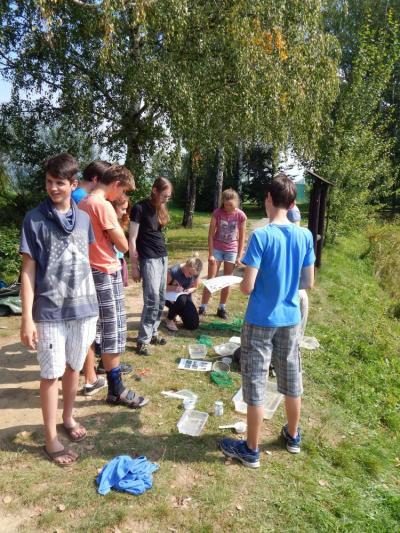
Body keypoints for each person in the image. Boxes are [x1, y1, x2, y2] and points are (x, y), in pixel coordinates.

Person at [219, 173, 315, 468]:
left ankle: (251, 449)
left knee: (256, 381)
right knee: (290, 376)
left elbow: (247, 287)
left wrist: (250, 279)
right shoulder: (305, 235)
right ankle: (293, 436)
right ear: (293, 202)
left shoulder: (261, 235)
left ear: (269, 200)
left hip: (261, 318)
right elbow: (307, 282)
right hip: (290, 318)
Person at [20, 153, 99, 466]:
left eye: (60, 183)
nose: (53, 188)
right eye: (49, 182)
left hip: (83, 309)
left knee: (74, 367)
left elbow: (85, 262)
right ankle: (50, 438)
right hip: (50, 311)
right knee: (50, 374)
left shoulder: (83, 219)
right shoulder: (34, 219)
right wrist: (27, 318)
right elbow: (27, 271)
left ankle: (68, 417)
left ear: (73, 184)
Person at [79, 164, 148, 408]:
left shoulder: (84, 203)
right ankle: (116, 389)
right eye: (123, 191)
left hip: (93, 269)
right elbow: (124, 244)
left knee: (106, 328)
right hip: (104, 270)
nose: (122, 198)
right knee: (114, 329)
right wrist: (116, 230)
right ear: (116, 184)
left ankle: (114, 386)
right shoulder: (101, 205)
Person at [129, 177, 172, 356]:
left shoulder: (160, 208)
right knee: (152, 299)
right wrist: (134, 266)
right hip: (148, 259)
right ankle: (142, 341)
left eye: (169, 197)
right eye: (164, 195)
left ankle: (153, 332)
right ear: (154, 190)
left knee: (161, 298)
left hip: (162, 257)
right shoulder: (139, 208)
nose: (166, 199)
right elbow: (131, 238)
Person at [199, 188, 247, 319]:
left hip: (231, 250)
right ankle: (203, 306)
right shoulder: (217, 213)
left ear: (236, 202)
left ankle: (221, 308)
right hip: (217, 249)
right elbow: (210, 235)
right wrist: (211, 254)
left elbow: (242, 237)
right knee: (211, 279)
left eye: (230, 205)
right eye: (225, 205)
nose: (228, 207)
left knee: (227, 280)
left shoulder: (240, 216)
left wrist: (239, 256)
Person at [164, 254, 203, 331]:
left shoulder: (195, 273)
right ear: (186, 266)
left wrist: (190, 290)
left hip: (184, 298)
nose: (190, 276)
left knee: (193, 325)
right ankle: (169, 319)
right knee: (182, 299)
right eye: (189, 273)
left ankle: (175, 312)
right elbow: (162, 288)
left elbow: (195, 287)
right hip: (169, 297)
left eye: (193, 275)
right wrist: (175, 288)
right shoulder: (173, 271)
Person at [112, 193, 131, 287]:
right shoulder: (110, 224)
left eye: (126, 209)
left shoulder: (121, 222)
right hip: (113, 260)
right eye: (123, 209)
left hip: (120, 258)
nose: (125, 212)